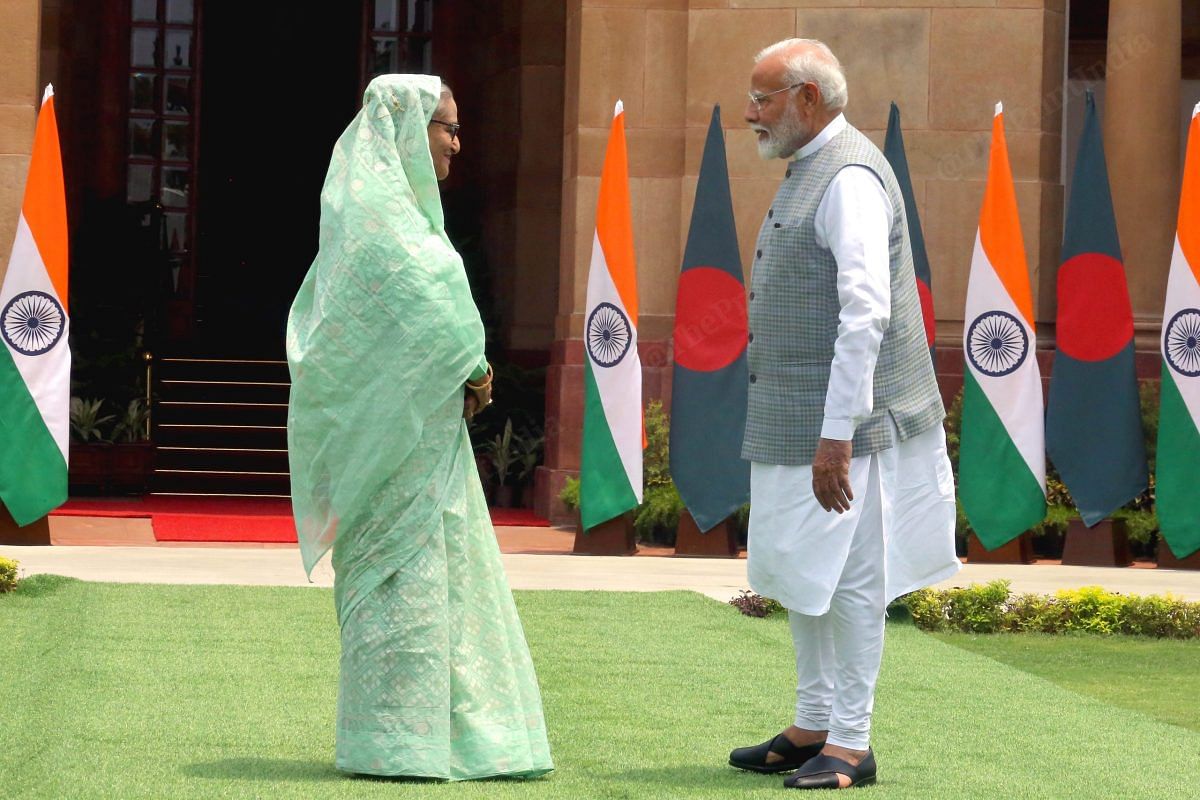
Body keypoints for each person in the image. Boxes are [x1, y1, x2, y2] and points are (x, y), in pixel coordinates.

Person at [286, 73, 553, 781]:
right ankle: (389, 742)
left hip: (425, 442)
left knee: (442, 586)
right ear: (409, 130)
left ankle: (448, 737)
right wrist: (471, 369)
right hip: (391, 450)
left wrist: (464, 368)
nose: (458, 145)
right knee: (399, 584)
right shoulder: (382, 229)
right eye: (448, 128)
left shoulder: (397, 221)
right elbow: (422, 322)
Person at [728, 39, 961, 790]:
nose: (750, 113)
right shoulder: (812, 166)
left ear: (807, 98)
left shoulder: (849, 177)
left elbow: (865, 315)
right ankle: (812, 724)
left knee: (855, 579)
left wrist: (837, 435)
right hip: (800, 414)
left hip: (849, 423)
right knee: (804, 571)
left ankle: (851, 746)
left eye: (762, 99)